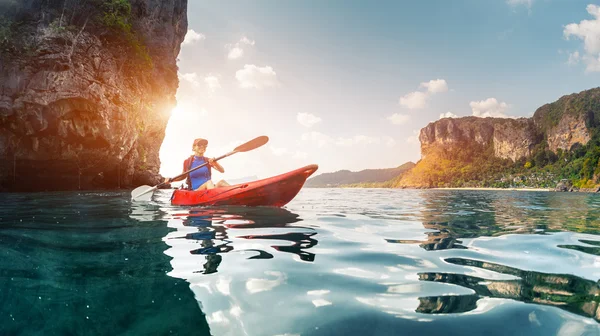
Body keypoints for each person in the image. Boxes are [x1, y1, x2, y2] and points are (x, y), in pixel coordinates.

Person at [165, 138, 230, 190]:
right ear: (194, 148)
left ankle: (239, 194)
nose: (202, 146)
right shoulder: (187, 162)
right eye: (199, 145)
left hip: (209, 189)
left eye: (204, 145)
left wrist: (215, 163)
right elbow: (183, 176)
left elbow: (222, 170)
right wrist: (171, 180)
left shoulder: (208, 160)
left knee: (222, 182)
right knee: (209, 182)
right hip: (196, 191)